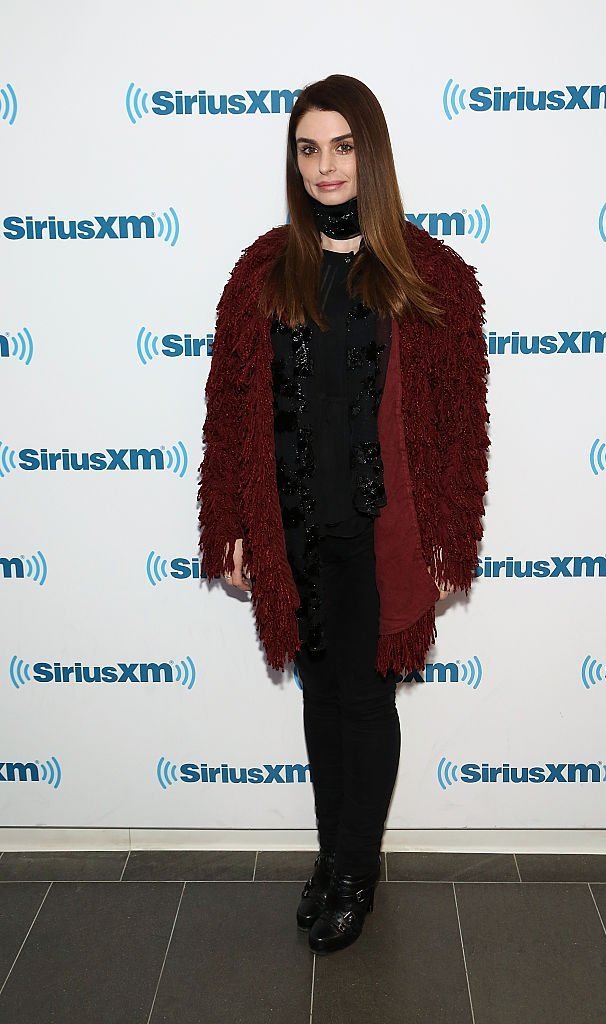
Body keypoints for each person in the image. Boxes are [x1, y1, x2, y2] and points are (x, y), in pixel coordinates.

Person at [197, 74, 490, 955]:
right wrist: (231, 527)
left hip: (383, 533)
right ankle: (334, 854)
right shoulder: (262, 269)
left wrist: (448, 541)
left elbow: (459, 432)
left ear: (372, 154)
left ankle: (359, 868)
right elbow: (229, 413)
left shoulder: (429, 276)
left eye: (342, 146)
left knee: (363, 701)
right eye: (307, 148)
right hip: (293, 528)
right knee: (320, 697)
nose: (324, 166)